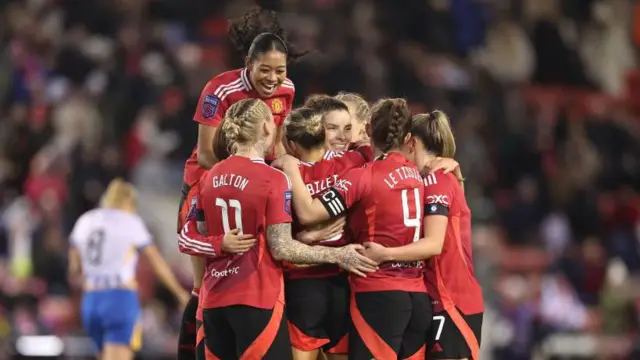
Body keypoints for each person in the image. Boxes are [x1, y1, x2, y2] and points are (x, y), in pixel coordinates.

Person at [187, 98, 378, 360]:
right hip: (258, 296)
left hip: (214, 299)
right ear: (267, 127)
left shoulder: (206, 178)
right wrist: (336, 254)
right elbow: (282, 247)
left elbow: (190, 236)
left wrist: (219, 245)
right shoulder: (273, 178)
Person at [176, 7, 302, 360]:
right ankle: (199, 329)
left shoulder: (288, 89)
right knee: (204, 286)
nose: (273, 78)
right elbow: (204, 154)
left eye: (280, 70)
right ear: (249, 63)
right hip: (207, 182)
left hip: (257, 176)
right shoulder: (219, 89)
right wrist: (247, 179)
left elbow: (275, 143)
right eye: (265, 70)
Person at [274, 98, 433, 360]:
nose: (342, 135)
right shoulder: (416, 173)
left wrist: (291, 168)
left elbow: (309, 212)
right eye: (333, 128)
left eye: (349, 128)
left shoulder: (361, 172)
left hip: (373, 289)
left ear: (368, 130)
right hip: (412, 290)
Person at [361, 111, 484, 360]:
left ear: (412, 143)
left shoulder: (437, 181)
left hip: (452, 299)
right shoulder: (434, 179)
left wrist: (385, 254)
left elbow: (434, 244)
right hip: (438, 296)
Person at [280, 107, 374, 360]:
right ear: (324, 137)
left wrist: (304, 239)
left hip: (302, 283)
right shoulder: (352, 163)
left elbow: (274, 239)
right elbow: (375, 145)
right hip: (343, 280)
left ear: (289, 144)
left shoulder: (281, 176)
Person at [68, 179, 189, 360]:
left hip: (91, 299)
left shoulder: (85, 220)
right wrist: (179, 293)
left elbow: (74, 267)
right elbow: (157, 263)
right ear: (129, 202)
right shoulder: (129, 222)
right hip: (119, 298)